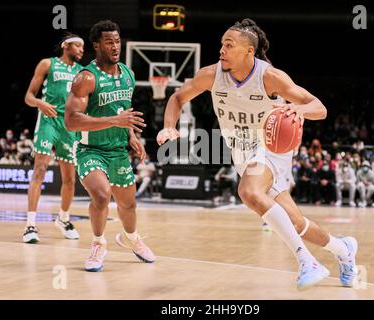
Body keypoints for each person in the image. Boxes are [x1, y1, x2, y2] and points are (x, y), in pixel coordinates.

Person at [156, 18, 358, 290]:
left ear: (249, 51)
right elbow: (177, 98)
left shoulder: (270, 76)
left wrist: (299, 110)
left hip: (271, 146)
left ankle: (306, 260)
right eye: (221, 44)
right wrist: (170, 127)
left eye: (229, 45)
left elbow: (318, 107)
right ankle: (344, 250)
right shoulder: (211, 74)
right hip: (241, 152)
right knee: (295, 222)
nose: (222, 50)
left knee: (248, 192)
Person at [65, 20, 155, 272]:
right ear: (96, 45)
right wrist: (115, 120)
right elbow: (71, 121)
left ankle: (133, 239)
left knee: (128, 204)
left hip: (117, 150)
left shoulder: (128, 74)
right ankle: (98, 243)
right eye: (109, 42)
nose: (115, 46)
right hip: (90, 149)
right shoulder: (86, 78)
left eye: (117, 41)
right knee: (102, 195)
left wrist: (131, 135)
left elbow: (122, 110)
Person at [23, 32, 84, 243]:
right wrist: (41, 103)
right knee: (39, 170)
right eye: (78, 46)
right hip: (48, 121)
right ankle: (30, 225)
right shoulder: (47, 64)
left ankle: (63, 219)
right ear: (66, 46)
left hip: (69, 125)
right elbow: (28, 97)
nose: (82, 51)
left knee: (69, 178)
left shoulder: (81, 73)